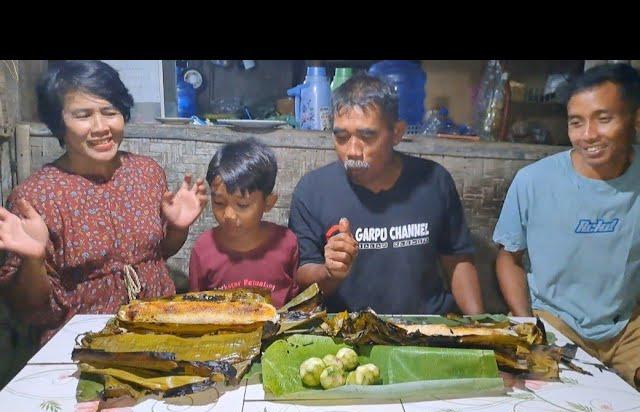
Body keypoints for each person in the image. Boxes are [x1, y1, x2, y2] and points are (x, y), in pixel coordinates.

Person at [0, 60, 208, 346]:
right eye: (83, 115)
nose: (100, 127)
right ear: (59, 123)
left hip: (157, 327)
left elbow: (157, 255)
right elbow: (27, 308)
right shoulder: (35, 197)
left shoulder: (145, 172)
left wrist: (177, 228)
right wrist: (33, 260)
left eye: (110, 112)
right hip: (82, 341)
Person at [493, 63, 640, 389]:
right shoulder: (533, 181)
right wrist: (526, 321)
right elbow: (508, 258)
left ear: (636, 119)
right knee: (552, 396)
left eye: (604, 119)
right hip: (554, 320)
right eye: (577, 122)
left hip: (628, 324)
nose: (588, 135)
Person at [288, 73, 484, 315]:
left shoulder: (434, 181)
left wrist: (480, 325)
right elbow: (303, 278)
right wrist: (330, 271)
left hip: (426, 329)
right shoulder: (312, 190)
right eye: (341, 137)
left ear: (397, 133)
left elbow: (457, 260)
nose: (352, 151)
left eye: (367, 136)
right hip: (349, 333)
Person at [188, 138, 299, 308]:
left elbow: (296, 306)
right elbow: (195, 309)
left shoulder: (287, 243)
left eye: (242, 205)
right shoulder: (203, 249)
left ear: (268, 202)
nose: (229, 215)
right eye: (219, 203)